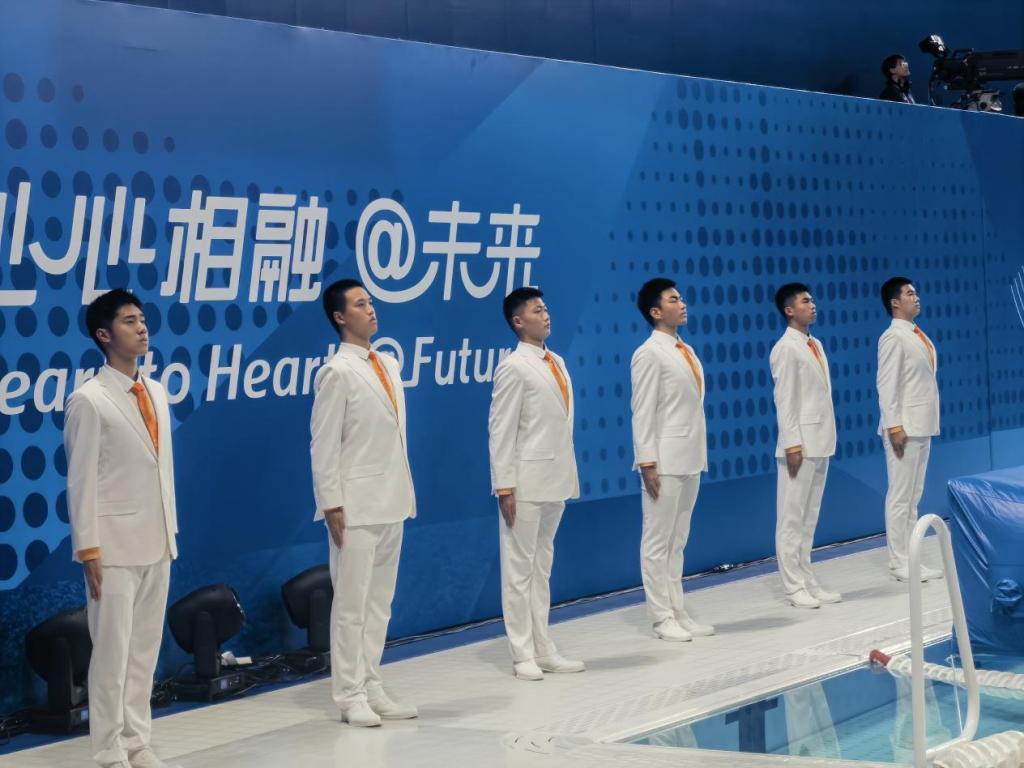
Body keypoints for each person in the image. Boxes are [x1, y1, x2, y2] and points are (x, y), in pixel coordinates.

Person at [64, 288, 178, 768]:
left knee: (144, 650)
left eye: (142, 319)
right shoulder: (89, 400)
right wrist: (88, 549)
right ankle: (108, 748)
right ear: (104, 335)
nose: (142, 328)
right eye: (129, 321)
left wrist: (170, 530)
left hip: (158, 539)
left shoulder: (156, 392)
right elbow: (81, 481)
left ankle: (137, 739)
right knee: (111, 653)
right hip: (112, 548)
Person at [310, 279, 417, 726]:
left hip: (392, 497)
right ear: (340, 317)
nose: (371, 309)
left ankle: (372, 682)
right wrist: (331, 503)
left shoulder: (387, 363)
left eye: (370, 302)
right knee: (351, 606)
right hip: (354, 505)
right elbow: (323, 443)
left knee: (379, 603)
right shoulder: (336, 372)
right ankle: (349, 693)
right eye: (359, 304)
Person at [488, 286, 584, 680]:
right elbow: (500, 429)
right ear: (518, 321)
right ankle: (521, 652)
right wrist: (504, 486)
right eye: (537, 311)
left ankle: (543, 646)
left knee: (541, 568)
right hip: (525, 481)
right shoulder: (513, 367)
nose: (546, 315)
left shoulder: (555, 361)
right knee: (519, 570)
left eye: (546, 308)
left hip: (554, 477)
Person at [630, 278, 713, 642]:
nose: (682, 304)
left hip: (690, 455)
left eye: (681, 298)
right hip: (664, 460)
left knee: (677, 540)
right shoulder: (649, 353)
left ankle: (678, 609)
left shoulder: (685, 349)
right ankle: (661, 616)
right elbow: (642, 411)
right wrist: (647, 462)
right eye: (673, 300)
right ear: (655, 311)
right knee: (657, 541)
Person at [770, 283, 841, 609]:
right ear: (789, 310)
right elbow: (785, 400)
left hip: (820, 440)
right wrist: (792, 445)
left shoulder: (815, 344)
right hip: (799, 446)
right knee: (791, 519)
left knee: (809, 518)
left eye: (812, 300)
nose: (812, 305)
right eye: (805, 301)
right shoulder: (785, 348)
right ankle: (793, 586)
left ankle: (807, 578)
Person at [876, 277, 943, 582]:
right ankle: (897, 561)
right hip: (904, 427)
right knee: (900, 496)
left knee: (913, 496)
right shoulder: (893, 337)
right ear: (895, 303)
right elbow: (886, 385)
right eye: (910, 294)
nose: (916, 298)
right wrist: (894, 426)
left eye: (916, 293)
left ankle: (911, 558)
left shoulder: (917, 333)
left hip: (921, 424)